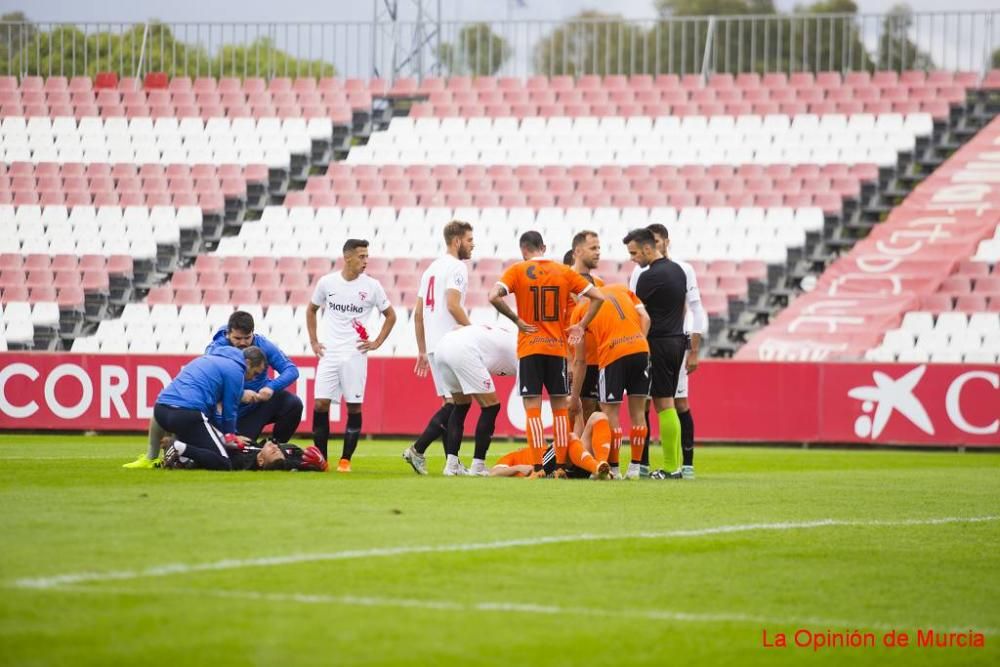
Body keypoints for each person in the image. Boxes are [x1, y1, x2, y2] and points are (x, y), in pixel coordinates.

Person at [488, 231, 605, 478]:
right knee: (560, 411)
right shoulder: (564, 271)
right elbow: (598, 296)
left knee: (532, 410)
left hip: (530, 348)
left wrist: (516, 319)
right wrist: (581, 325)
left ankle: (539, 468)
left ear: (524, 250)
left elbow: (493, 296)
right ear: (544, 247)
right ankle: (561, 467)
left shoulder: (517, 270)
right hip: (556, 350)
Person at [306, 239, 397, 473]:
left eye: (367, 256)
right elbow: (311, 309)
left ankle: (345, 460)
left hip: (355, 355)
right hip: (330, 353)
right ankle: (322, 460)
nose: (366, 261)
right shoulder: (327, 283)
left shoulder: (372, 286)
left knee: (354, 407)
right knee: (320, 404)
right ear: (347, 258)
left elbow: (391, 316)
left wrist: (376, 342)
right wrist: (314, 341)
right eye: (362, 256)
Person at [629, 224, 706, 480]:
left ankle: (671, 467)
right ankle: (676, 467)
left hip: (657, 344)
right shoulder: (679, 271)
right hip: (677, 342)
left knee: (661, 404)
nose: (633, 259)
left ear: (648, 248)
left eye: (635, 253)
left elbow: (636, 312)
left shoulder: (648, 276)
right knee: (669, 403)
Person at [406, 220, 475, 476]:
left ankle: (452, 463)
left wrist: (423, 350)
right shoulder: (457, 267)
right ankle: (418, 449)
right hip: (450, 344)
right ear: (457, 241)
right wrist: (472, 331)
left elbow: (418, 314)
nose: (472, 244)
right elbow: (453, 305)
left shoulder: (431, 269)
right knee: (458, 404)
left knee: (452, 402)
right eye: (469, 240)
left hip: (435, 345)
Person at [571, 283, 651, 480]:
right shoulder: (622, 289)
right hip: (640, 349)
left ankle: (614, 469)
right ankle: (635, 468)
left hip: (612, 354)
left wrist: (574, 396)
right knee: (639, 413)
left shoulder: (581, 309)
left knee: (610, 414)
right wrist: (639, 340)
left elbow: (580, 360)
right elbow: (646, 318)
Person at [416, 323, 517, 476]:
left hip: (443, 346)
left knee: (461, 404)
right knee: (491, 407)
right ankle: (478, 466)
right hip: (463, 349)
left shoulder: (508, 336)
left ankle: (451, 466)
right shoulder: (524, 349)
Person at [144, 346, 267, 471]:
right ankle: (177, 447)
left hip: (161, 411)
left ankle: (178, 458)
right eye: (255, 373)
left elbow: (211, 410)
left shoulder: (210, 358)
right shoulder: (236, 371)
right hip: (186, 414)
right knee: (224, 462)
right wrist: (230, 436)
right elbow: (230, 410)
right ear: (247, 363)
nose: (253, 378)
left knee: (206, 450)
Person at [205, 311, 303, 442]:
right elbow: (211, 385)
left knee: (293, 404)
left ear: (253, 333)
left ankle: (276, 445)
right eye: (237, 339)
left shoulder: (263, 344)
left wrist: (271, 387)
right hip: (231, 411)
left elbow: (291, 370)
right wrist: (240, 394)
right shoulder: (215, 350)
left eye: (247, 337)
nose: (243, 343)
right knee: (241, 450)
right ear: (228, 334)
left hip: (258, 404)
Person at [563, 231, 605, 432]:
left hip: (598, 359)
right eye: (593, 248)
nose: (598, 252)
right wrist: (567, 360)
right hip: (574, 359)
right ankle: (571, 457)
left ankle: (593, 459)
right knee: (573, 408)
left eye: (599, 248)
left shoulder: (600, 284)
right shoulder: (562, 281)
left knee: (597, 410)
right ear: (577, 251)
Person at [490, 412, 612, 479]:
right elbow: (494, 473)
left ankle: (601, 465)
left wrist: (579, 411)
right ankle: (597, 468)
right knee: (567, 438)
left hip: (571, 464)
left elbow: (576, 441)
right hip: (544, 470)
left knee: (599, 416)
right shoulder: (514, 456)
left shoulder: (544, 448)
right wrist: (518, 468)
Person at [162, 436, 328, 472]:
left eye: (273, 452)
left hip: (216, 445)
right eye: (278, 451)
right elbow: (303, 462)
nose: (276, 448)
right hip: (231, 435)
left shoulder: (243, 462)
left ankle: (181, 450)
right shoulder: (289, 451)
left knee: (222, 462)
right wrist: (321, 464)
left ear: (261, 461)